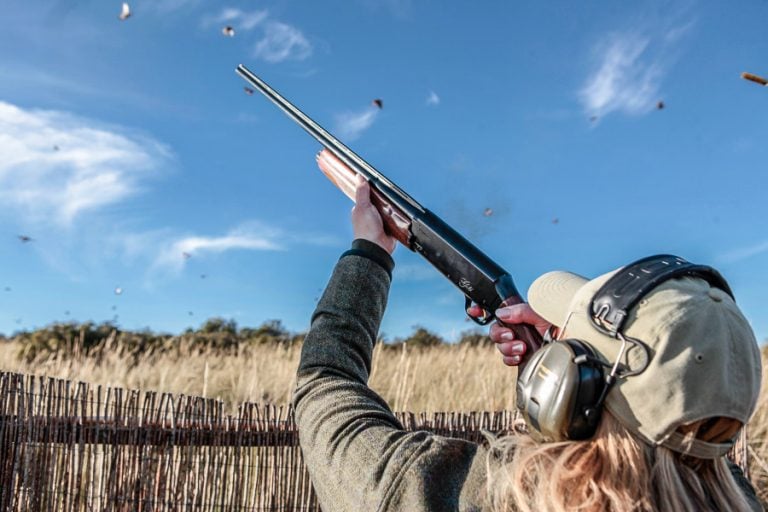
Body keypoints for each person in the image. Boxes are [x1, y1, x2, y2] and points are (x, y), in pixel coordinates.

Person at [293, 176, 764, 511]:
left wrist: (370, 253)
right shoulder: (742, 496)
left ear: (569, 391)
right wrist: (563, 378)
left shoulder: (470, 494)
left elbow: (323, 385)